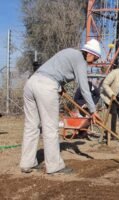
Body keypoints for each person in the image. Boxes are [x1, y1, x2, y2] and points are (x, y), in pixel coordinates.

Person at [20, 39, 101, 174]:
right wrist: (93, 110)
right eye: (95, 59)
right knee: (50, 127)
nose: (93, 62)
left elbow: (56, 69)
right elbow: (85, 88)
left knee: (31, 126)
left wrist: (60, 86)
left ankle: (27, 163)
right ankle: (54, 166)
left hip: (31, 83)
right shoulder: (80, 60)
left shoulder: (68, 52)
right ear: (90, 54)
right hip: (46, 87)